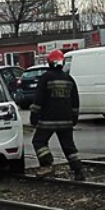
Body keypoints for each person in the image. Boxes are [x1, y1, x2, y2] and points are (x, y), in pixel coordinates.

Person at [30, 49, 84, 180]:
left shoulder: (45, 78)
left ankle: (47, 165)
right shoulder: (69, 79)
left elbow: (38, 99)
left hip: (47, 120)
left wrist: (34, 116)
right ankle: (78, 171)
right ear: (63, 63)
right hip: (66, 120)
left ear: (49, 62)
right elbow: (75, 102)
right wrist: (74, 118)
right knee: (69, 146)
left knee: (38, 141)